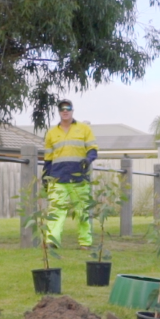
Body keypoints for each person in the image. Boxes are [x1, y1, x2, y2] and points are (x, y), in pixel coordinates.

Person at [42, 101, 98, 249]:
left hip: (79, 177)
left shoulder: (84, 129)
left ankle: (85, 242)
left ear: (73, 110)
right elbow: (48, 159)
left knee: (82, 212)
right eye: (62, 109)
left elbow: (93, 150)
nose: (65, 111)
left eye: (68, 108)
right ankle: (52, 241)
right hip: (57, 177)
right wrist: (45, 178)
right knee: (56, 210)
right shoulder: (51, 133)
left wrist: (88, 159)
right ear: (59, 112)